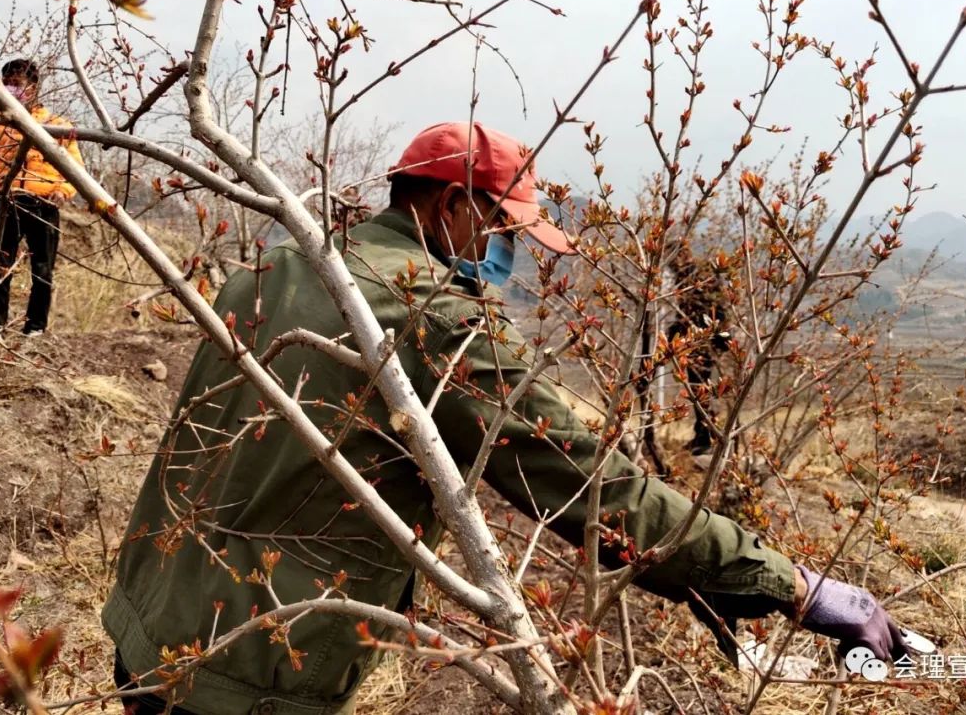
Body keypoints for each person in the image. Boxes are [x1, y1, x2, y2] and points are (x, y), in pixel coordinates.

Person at [104, 123, 907, 715]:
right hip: (253, 678)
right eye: (507, 232)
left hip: (148, 622)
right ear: (455, 205)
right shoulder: (434, 317)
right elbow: (589, 484)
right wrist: (781, 579)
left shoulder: (280, 260)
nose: (510, 258)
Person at [0, 58, 82, 339]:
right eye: (6, 83)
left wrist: (63, 191)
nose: (11, 89)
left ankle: (35, 327)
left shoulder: (58, 125)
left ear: (33, 88)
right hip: (5, 202)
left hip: (43, 205)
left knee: (42, 269)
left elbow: (74, 170)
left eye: (17, 84)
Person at [667, 247, 730, 458]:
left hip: (703, 341)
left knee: (700, 390)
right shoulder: (694, 274)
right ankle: (702, 436)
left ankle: (706, 439)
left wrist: (677, 333)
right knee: (699, 390)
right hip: (704, 339)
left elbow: (700, 312)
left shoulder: (693, 277)